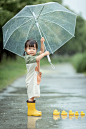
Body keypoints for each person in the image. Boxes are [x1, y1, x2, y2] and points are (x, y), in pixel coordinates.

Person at [23, 37, 49, 116]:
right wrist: (44, 54)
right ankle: (30, 111)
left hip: (34, 78)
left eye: (34, 49)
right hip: (31, 79)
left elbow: (41, 51)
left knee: (33, 94)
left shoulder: (34, 55)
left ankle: (33, 110)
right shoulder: (28, 57)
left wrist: (42, 43)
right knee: (31, 94)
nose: (31, 50)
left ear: (36, 50)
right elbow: (38, 58)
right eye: (29, 48)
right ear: (25, 49)